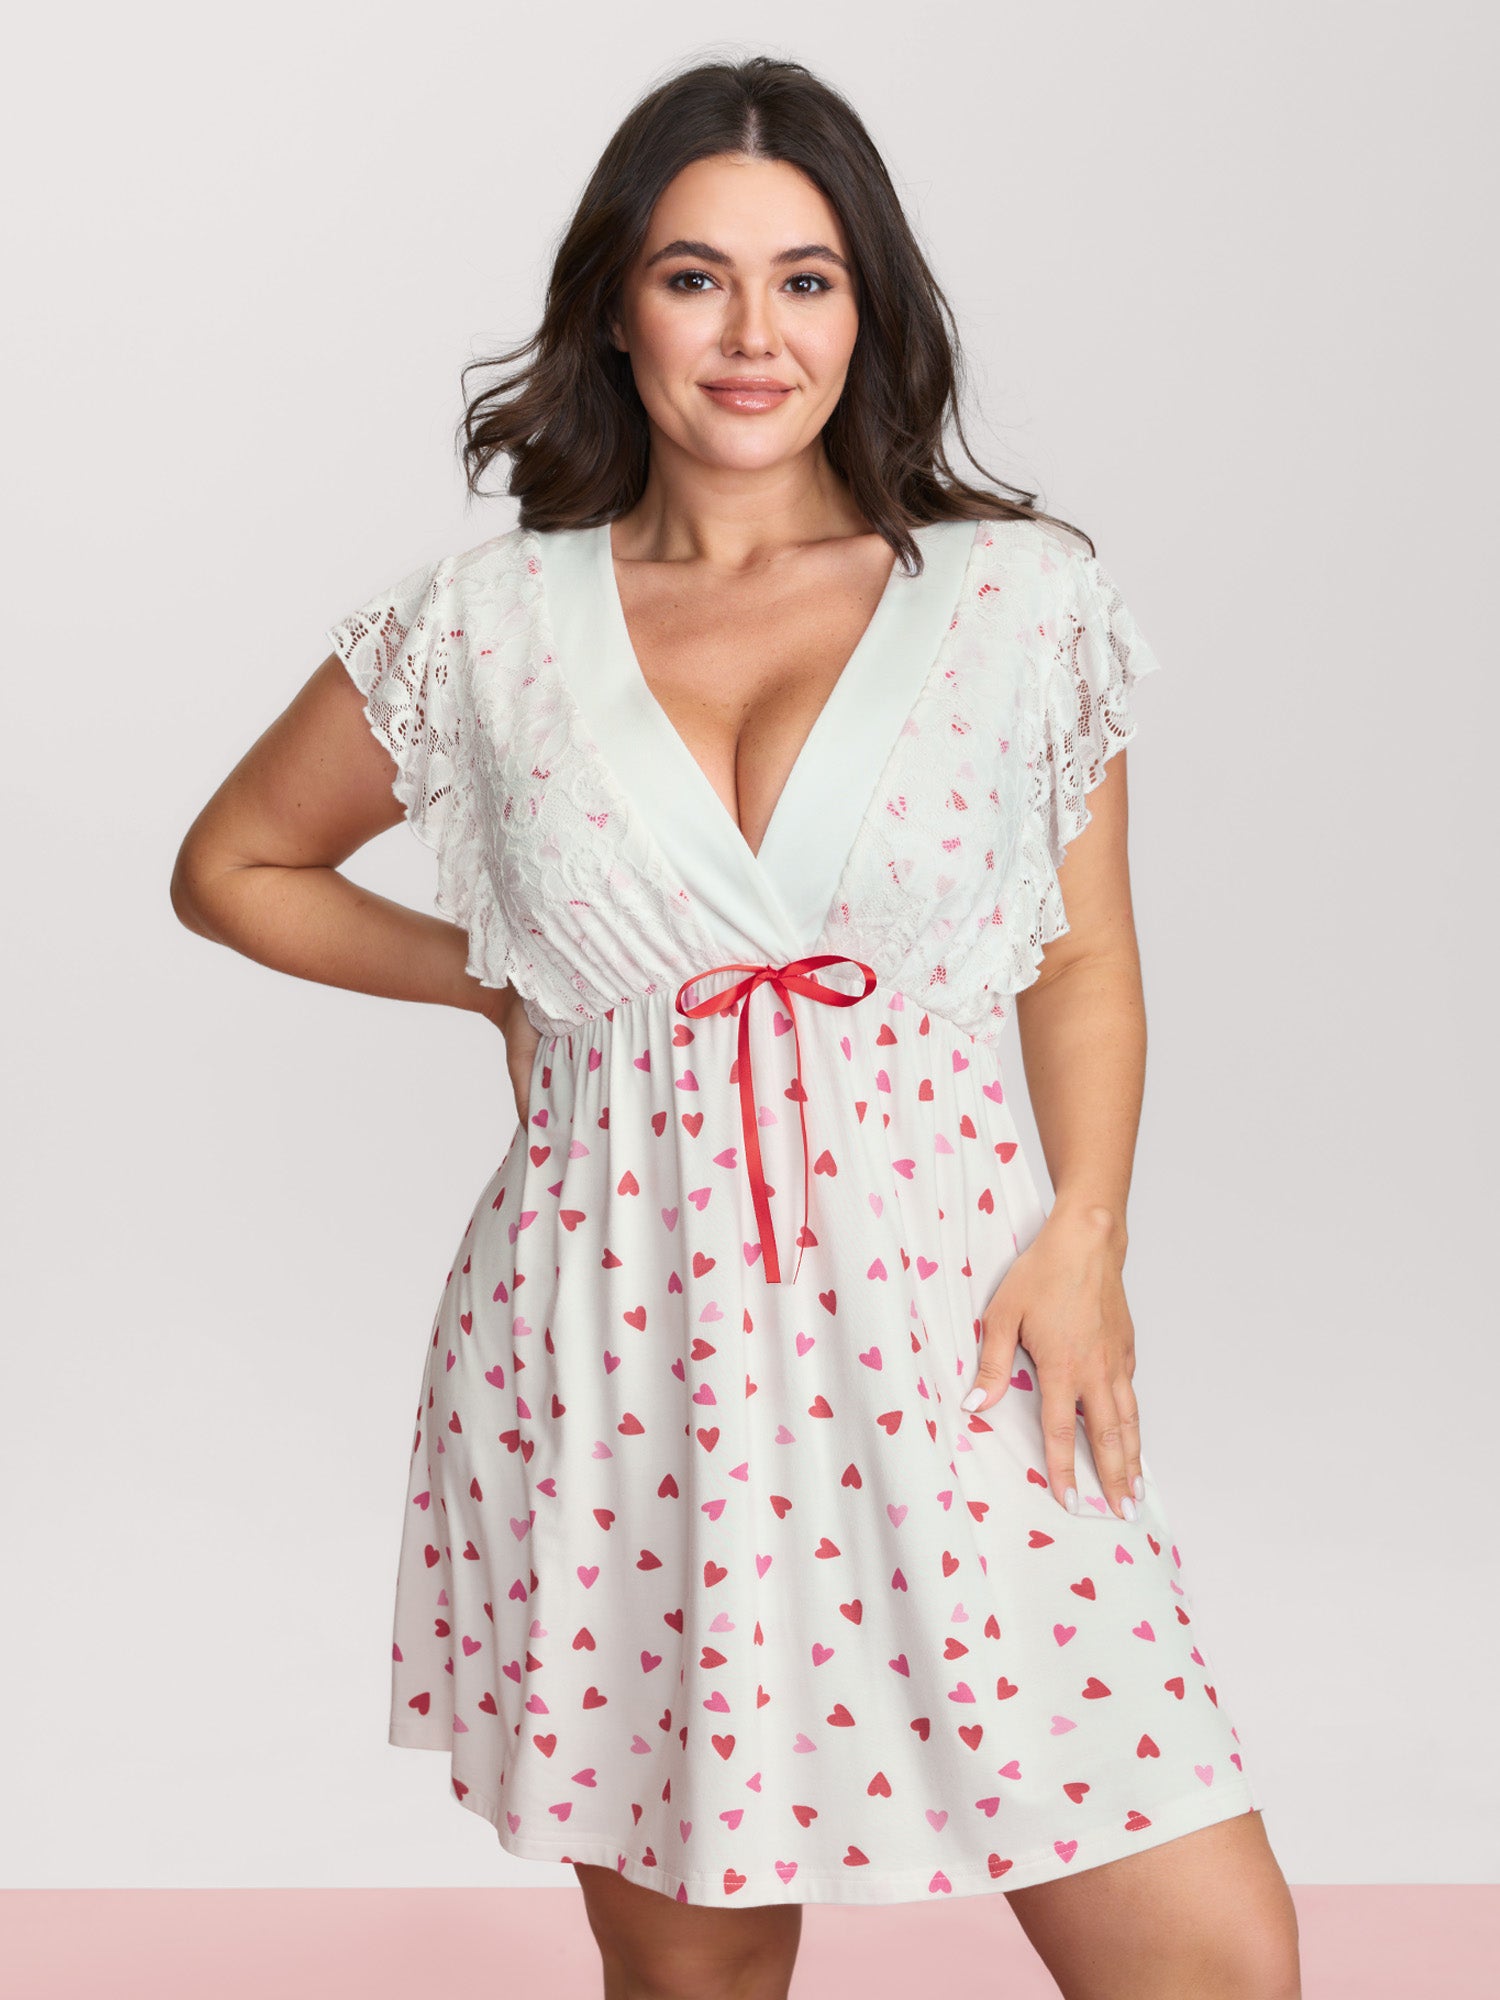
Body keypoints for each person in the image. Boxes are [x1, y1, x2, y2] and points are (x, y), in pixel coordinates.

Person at [171, 52, 1300, 2000]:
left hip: (959, 1319)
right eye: (696, 277)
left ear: (869, 309)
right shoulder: (485, 626)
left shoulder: (1021, 599)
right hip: (615, 1328)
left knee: (1208, 1957)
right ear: (619, 305)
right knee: (695, 1974)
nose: (753, 332)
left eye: (806, 278)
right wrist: (499, 972)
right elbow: (234, 866)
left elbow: (1082, 955)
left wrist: (1089, 1233)